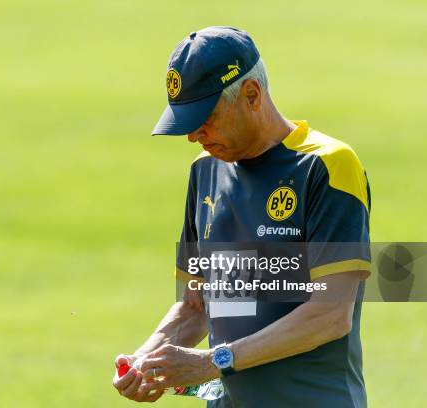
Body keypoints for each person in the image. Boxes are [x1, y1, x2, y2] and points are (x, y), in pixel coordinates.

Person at [112, 26, 371, 407]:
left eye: (206, 118)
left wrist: (213, 362)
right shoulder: (205, 170)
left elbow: (330, 313)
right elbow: (197, 305)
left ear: (251, 95)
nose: (193, 136)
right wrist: (146, 361)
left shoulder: (326, 166)